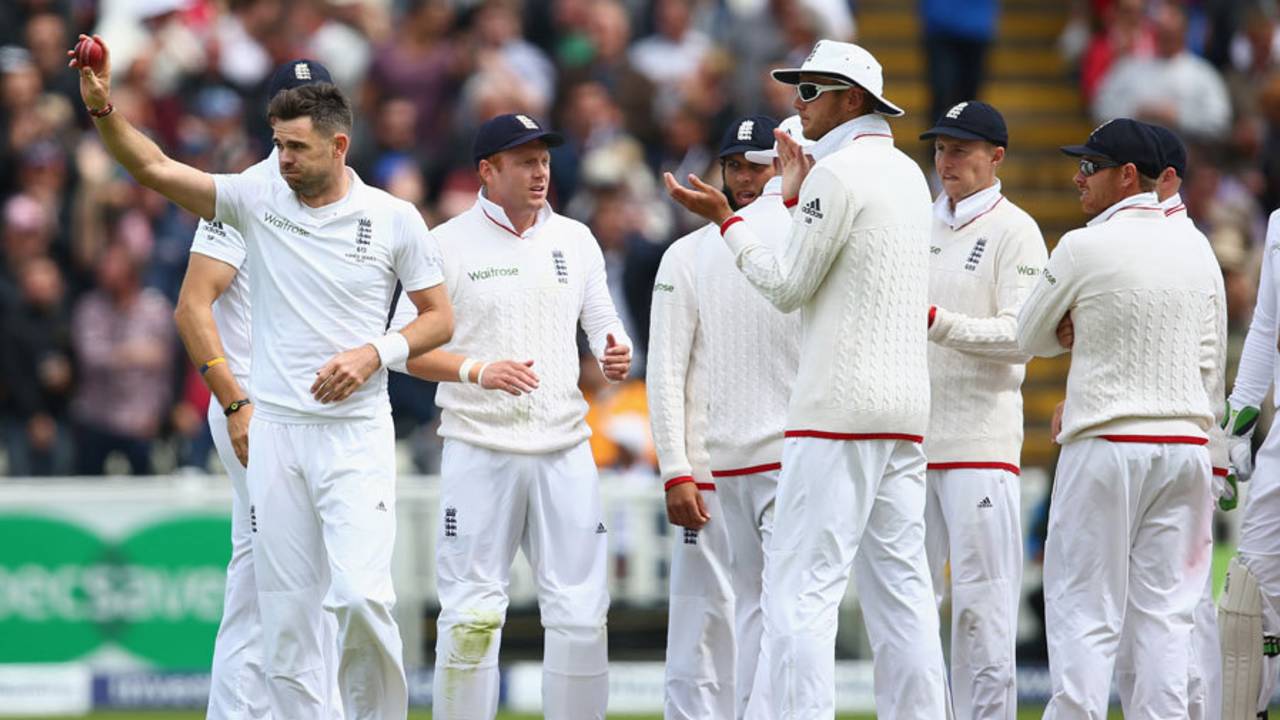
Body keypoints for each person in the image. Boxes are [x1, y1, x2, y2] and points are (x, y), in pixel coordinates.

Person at [70, 36, 454, 720]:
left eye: (297, 148)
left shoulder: (395, 218)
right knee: (286, 628)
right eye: (278, 144)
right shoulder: (255, 194)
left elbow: (438, 319)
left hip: (356, 435)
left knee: (365, 599)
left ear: (339, 147)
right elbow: (154, 167)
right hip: (274, 435)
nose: (282, 159)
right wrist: (103, 109)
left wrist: (374, 352)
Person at [665, 39, 949, 718]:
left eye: (811, 91)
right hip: (905, 411)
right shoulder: (910, 174)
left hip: (836, 410)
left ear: (853, 99)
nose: (797, 104)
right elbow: (847, 271)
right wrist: (793, 204)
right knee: (903, 594)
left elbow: (787, 287)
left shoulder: (838, 174)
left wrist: (728, 222)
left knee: (799, 592)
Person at [404, 113, 631, 720]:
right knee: (473, 615)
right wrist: (479, 371)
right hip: (479, 447)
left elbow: (604, 321)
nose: (540, 172)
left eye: (545, 160)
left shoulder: (576, 240)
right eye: (525, 161)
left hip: (564, 448)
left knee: (583, 614)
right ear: (488, 170)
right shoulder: (444, 244)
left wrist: (615, 350)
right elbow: (405, 350)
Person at [1015, 118, 1227, 718]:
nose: (1077, 178)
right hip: (1185, 446)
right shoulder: (1197, 244)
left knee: (1085, 609)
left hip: (1106, 442)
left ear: (1127, 176)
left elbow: (1028, 333)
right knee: (1165, 617)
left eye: (1091, 167)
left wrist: (1074, 328)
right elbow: (1211, 359)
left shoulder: (1085, 246)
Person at [649, 113, 802, 719]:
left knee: (771, 615)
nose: (742, 177)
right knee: (700, 623)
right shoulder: (686, 255)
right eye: (733, 165)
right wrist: (676, 469)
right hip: (709, 470)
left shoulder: (794, 237)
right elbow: (665, 368)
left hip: (778, 457)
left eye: (755, 164)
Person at [918, 100, 1046, 719]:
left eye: (961, 149)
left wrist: (938, 323)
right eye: (941, 147)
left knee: (981, 608)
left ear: (996, 157)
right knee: (909, 604)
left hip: (980, 445)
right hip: (911, 443)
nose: (947, 160)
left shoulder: (1017, 230)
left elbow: (1021, 334)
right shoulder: (917, 223)